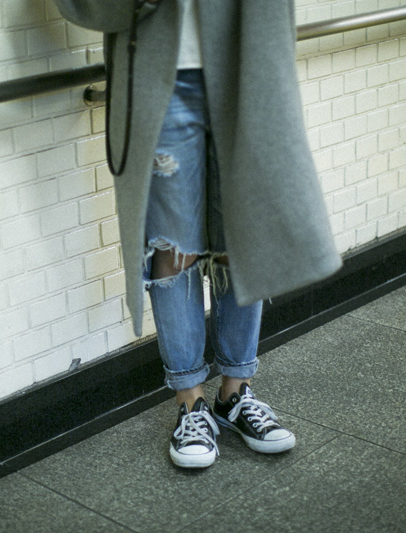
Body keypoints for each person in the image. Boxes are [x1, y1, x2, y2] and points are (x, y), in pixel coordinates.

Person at [53, 0, 341, 468]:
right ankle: (191, 402)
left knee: (242, 239)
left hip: (245, 69)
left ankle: (235, 392)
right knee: (172, 251)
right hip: (159, 79)